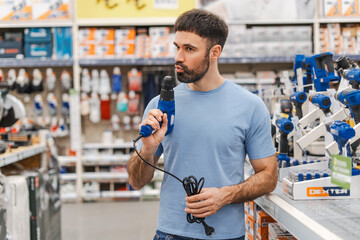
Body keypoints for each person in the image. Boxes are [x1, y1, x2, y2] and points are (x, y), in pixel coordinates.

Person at [127, 8, 277, 240]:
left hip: (226, 236)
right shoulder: (160, 106)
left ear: (214, 52)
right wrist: (147, 148)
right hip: (170, 234)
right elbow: (136, 182)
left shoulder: (250, 106)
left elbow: (268, 176)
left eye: (189, 49)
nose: (178, 57)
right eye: (177, 47)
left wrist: (225, 195)